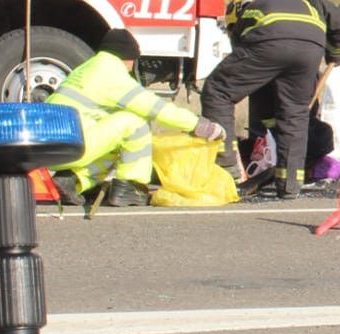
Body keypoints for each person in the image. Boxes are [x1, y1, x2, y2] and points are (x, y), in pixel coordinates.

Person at [201, 0, 340, 199]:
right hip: (310, 49)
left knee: (218, 91)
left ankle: (228, 167)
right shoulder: (309, 0)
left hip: (270, 39)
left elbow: (250, 68)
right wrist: (336, 52)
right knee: (295, 115)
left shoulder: (250, 11)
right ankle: (289, 186)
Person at [47, 28, 223, 207]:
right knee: (135, 124)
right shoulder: (113, 74)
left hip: (52, 145)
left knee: (115, 141)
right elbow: (156, 109)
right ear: (129, 58)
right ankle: (130, 188)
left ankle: (72, 181)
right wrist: (200, 125)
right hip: (72, 145)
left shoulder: (88, 68)